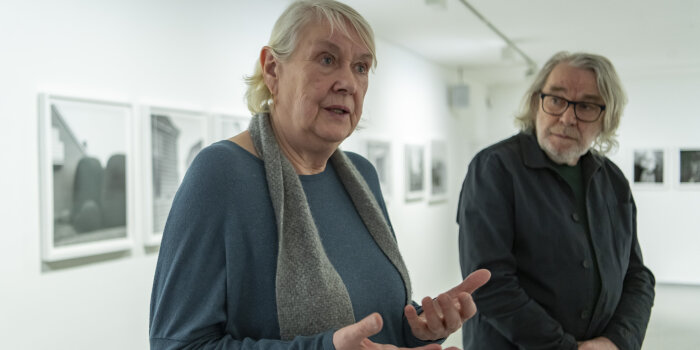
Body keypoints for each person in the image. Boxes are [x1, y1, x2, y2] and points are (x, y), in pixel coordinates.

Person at [149, 1, 490, 349]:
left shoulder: (362, 176)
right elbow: (176, 345)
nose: (348, 83)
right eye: (327, 59)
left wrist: (416, 328)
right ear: (272, 69)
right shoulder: (220, 174)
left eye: (361, 67)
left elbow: (371, 324)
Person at [457, 52, 655, 350]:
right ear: (537, 102)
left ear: (606, 118)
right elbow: (490, 284)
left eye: (586, 106)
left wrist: (616, 341)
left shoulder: (613, 180)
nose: (566, 118)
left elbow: (637, 276)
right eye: (556, 100)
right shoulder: (494, 169)